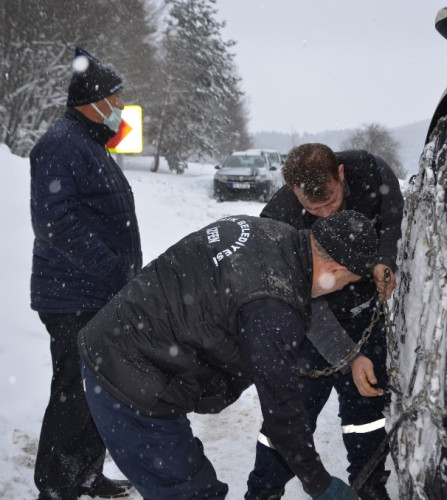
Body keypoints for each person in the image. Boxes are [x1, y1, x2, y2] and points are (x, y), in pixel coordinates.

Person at [78, 211, 379, 500]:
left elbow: (299, 300)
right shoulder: (272, 308)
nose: (340, 288)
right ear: (336, 270)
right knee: (192, 495)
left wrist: (349, 356)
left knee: (189, 482)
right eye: (347, 281)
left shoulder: (273, 235)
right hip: (129, 379)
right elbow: (282, 411)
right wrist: (319, 483)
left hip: (123, 344)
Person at [245, 144, 404, 500]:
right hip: (306, 323)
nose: (323, 212)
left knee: (366, 411)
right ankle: (263, 491)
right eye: (311, 207)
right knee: (290, 417)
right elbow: (303, 304)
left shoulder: (375, 177)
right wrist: (347, 357)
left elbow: (393, 221)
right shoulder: (278, 221)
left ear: (341, 174)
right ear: (293, 192)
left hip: (364, 312)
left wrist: (383, 259)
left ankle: (370, 486)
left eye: (330, 200)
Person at [30, 47, 142, 499]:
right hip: (72, 296)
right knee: (73, 394)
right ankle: (56, 485)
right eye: (114, 98)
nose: (119, 107)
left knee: (96, 389)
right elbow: (54, 222)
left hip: (98, 293)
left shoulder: (89, 142)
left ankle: (86, 474)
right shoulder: (59, 145)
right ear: (92, 99)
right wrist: (111, 266)